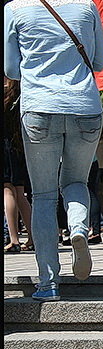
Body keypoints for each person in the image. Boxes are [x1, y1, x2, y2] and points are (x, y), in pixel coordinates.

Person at [4, 0, 103, 301]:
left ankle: (48, 283)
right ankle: (78, 229)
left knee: (44, 195)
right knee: (76, 182)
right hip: (84, 106)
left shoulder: (16, 10)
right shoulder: (85, 5)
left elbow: (10, 68)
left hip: (40, 108)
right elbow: (97, 62)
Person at [3, 77, 33, 252]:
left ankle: (14, 239)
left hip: (6, 147)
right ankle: (32, 237)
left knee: (7, 190)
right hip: (19, 148)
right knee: (21, 193)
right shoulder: (22, 96)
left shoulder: (6, 97)